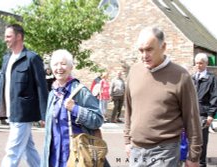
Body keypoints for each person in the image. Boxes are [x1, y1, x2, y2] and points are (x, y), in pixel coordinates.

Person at [124, 26, 202, 167]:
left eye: (149, 49)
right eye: (141, 50)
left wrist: (194, 155)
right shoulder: (134, 71)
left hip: (165, 152)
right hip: (136, 151)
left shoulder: (181, 76)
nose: (144, 55)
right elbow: (129, 108)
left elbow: (192, 117)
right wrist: (127, 141)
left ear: (163, 47)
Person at [0, 24, 48, 167]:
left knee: (12, 150)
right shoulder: (7, 58)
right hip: (11, 112)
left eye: (8, 36)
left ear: (18, 37)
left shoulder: (32, 58)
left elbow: (41, 88)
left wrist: (45, 115)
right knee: (27, 148)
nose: (5, 39)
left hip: (23, 113)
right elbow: (1, 84)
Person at [41, 49, 105, 167]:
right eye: (55, 64)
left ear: (70, 68)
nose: (59, 68)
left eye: (63, 64)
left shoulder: (81, 92)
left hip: (77, 156)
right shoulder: (52, 94)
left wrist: (76, 109)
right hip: (54, 157)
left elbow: (98, 119)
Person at [192, 53, 217, 167]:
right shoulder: (192, 78)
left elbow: (214, 96)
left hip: (203, 114)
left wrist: (211, 115)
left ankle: (201, 164)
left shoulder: (211, 79)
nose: (198, 65)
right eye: (197, 63)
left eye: (201, 63)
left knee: (201, 142)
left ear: (206, 64)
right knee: (191, 142)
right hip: (191, 114)